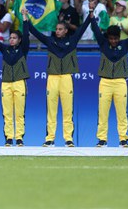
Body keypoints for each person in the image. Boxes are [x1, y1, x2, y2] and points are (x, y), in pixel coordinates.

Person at [27, 14, 92, 147]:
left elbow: (82, 29)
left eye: (60, 29)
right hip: (52, 78)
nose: (57, 31)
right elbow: (34, 32)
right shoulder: (50, 41)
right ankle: (50, 138)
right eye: (56, 29)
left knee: (68, 110)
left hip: (67, 78)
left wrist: (90, 16)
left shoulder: (72, 41)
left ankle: (68, 139)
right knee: (51, 110)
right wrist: (25, 18)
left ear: (66, 30)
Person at [90, 17, 128, 147]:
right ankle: (102, 140)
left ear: (119, 37)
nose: (113, 41)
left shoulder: (125, 44)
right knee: (103, 112)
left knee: (122, 112)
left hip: (120, 83)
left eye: (116, 38)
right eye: (111, 38)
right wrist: (92, 18)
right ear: (108, 37)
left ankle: (123, 139)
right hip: (105, 83)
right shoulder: (103, 44)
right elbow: (96, 30)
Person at [0, 10, 30, 146]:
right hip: (6, 84)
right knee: (7, 113)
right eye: (10, 37)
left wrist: (25, 18)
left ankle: (19, 138)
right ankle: (8, 137)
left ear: (19, 40)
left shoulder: (23, 49)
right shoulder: (4, 49)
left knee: (19, 113)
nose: (11, 39)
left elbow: (26, 34)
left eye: (14, 38)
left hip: (19, 83)